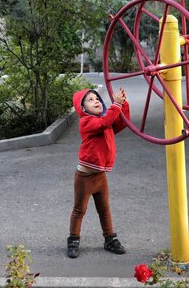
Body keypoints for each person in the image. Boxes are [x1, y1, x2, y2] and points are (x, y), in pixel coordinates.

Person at [67, 87, 130, 258]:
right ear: (83, 109)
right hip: (84, 177)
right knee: (79, 210)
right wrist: (115, 104)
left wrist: (123, 105)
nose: (96, 101)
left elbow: (121, 122)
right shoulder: (87, 122)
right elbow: (105, 122)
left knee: (104, 209)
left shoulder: (105, 123)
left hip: (100, 177)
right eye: (90, 100)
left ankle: (110, 239)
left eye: (97, 98)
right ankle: (73, 239)